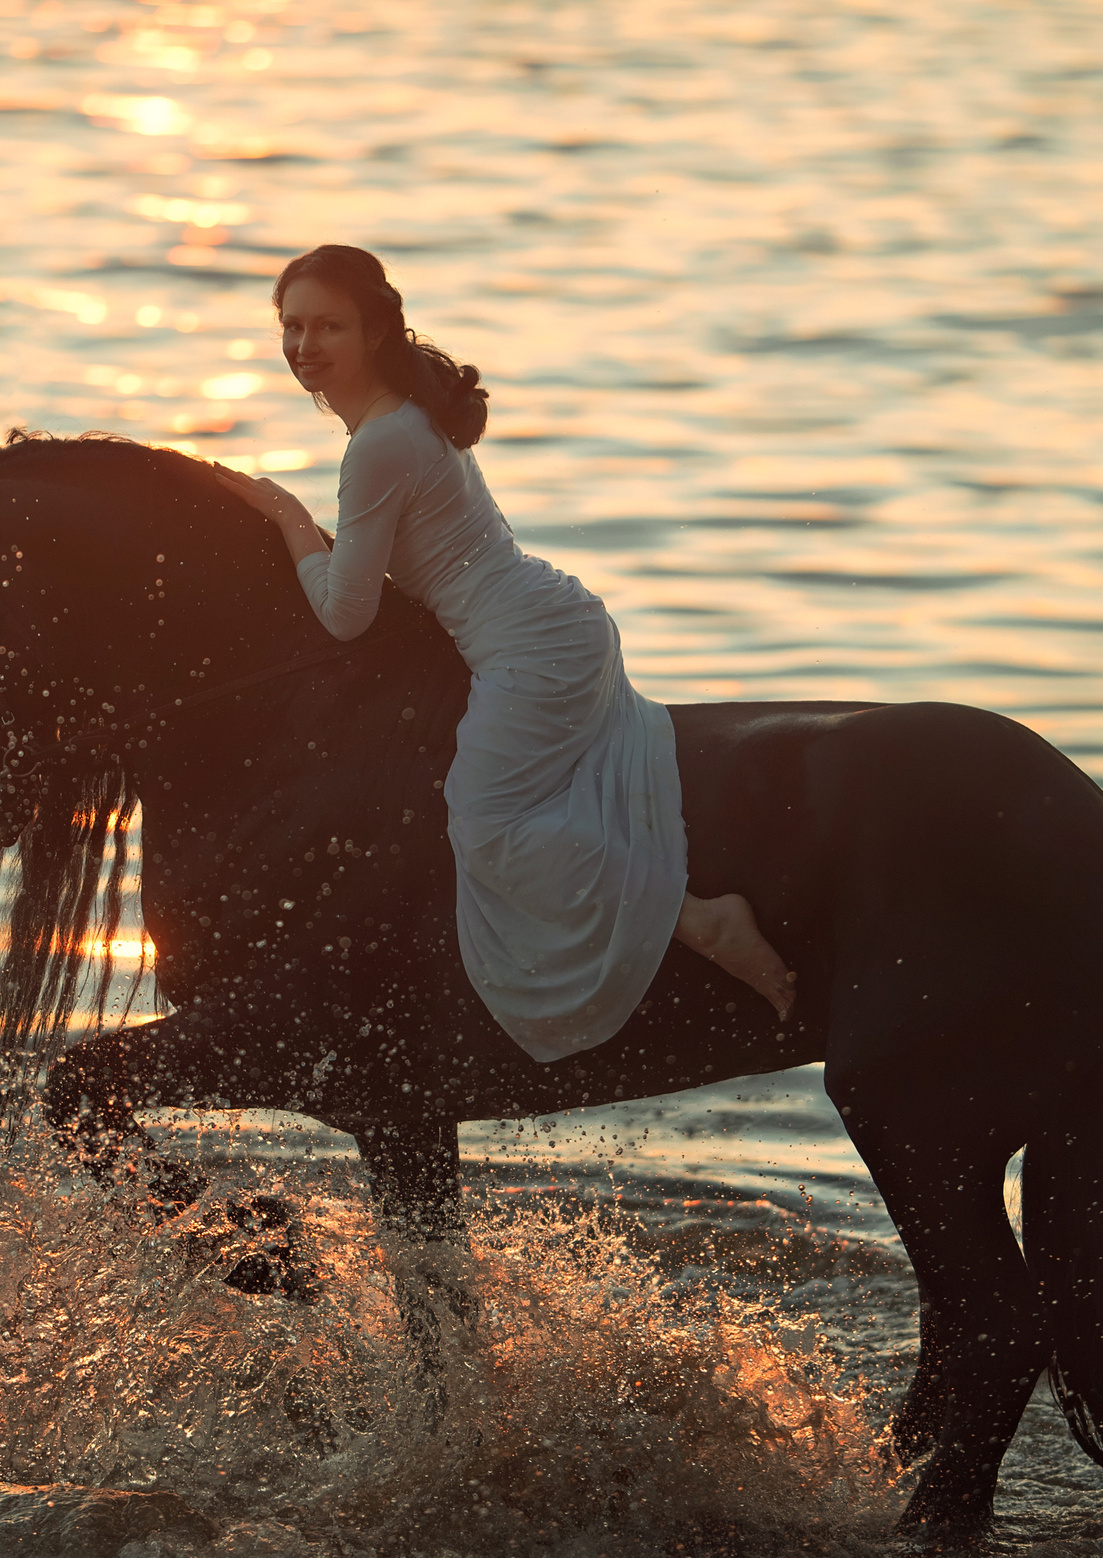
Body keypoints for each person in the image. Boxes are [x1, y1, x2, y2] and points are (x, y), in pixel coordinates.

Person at [205, 245, 793, 1063]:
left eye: (328, 326)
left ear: (375, 332)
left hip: (534, 649)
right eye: (292, 326)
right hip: (553, 621)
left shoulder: (379, 442)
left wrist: (288, 517)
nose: (305, 345)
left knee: (485, 823)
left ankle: (698, 918)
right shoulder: (403, 416)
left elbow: (344, 615)